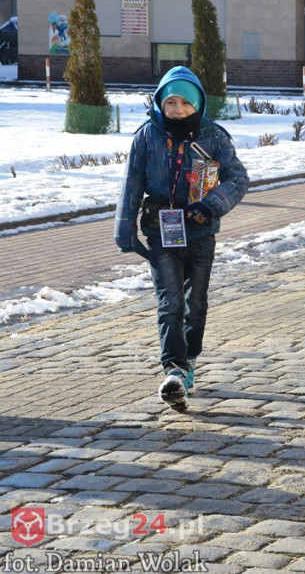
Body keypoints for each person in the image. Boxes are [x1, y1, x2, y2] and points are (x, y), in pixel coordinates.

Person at [114, 66, 249, 412]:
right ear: (160, 102)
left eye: (184, 103)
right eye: (170, 102)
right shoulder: (146, 136)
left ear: (198, 104)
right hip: (160, 228)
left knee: (196, 302)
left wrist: (211, 205)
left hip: (200, 230)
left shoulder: (214, 137)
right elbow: (131, 183)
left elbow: (238, 178)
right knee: (170, 301)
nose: (176, 110)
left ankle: (189, 361)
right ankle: (174, 369)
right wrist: (125, 229)